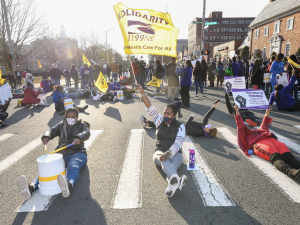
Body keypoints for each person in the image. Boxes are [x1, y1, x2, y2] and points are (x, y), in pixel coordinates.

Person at [17, 107, 90, 199]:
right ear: (65, 116)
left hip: (78, 152)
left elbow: (86, 132)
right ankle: (31, 187)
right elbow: (51, 131)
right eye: (68, 116)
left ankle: (68, 184)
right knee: (47, 168)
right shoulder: (61, 125)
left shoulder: (82, 125)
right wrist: (46, 136)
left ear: (77, 117)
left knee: (73, 165)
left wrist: (79, 137)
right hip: (61, 152)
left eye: (73, 117)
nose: (70, 118)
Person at [135, 83, 187, 197]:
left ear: (174, 115)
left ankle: (173, 184)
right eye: (164, 113)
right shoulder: (159, 121)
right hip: (160, 152)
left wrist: (169, 153)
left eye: (169, 113)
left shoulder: (181, 126)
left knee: (168, 167)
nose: (165, 115)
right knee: (164, 161)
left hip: (176, 155)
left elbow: (178, 143)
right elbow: (150, 108)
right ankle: (178, 180)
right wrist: (143, 93)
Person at [234, 105, 300, 181]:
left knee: (289, 157)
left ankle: (297, 166)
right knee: (276, 157)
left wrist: (267, 111)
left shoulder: (261, 130)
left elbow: (264, 122)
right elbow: (240, 125)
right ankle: (291, 172)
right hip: (260, 144)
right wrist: (237, 112)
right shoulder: (246, 135)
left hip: (273, 141)